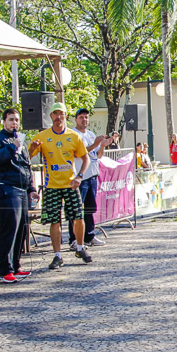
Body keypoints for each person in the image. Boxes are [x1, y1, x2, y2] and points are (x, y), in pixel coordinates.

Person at [29, 103, 92, 270]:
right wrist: (32, 148)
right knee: (54, 221)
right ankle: (57, 255)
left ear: (65, 116)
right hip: (52, 185)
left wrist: (79, 176)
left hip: (71, 184)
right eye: (55, 114)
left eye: (61, 114)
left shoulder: (73, 136)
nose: (58, 117)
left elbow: (86, 158)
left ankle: (80, 247)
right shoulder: (42, 136)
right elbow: (27, 157)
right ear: (51, 116)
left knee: (78, 217)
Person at [0, 108, 36, 283]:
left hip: (21, 189)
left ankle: (16, 265)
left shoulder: (20, 140)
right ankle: (5, 269)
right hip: (4, 188)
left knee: (22, 228)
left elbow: (26, 165)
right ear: (4, 121)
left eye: (16, 120)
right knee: (10, 228)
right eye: (11, 119)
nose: (14, 123)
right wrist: (11, 147)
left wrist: (31, 188)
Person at [74, 107, 117, 248]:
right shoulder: (73, 134)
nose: (84, 120)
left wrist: (103, 145)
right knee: (76, 209)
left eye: (86, 117)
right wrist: (96, 144)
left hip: (92, 175)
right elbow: (79, 153)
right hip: (80, 176)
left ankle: (89, 236)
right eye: (81, 117)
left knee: (90, 209)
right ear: (76, 119)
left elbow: (97, 155)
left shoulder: (91, 134)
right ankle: (74, 239)